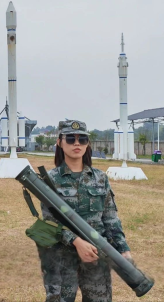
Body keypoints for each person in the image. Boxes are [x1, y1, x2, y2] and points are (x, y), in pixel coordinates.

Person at [37, 120, 133, 302]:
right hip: (61, 257)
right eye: (70, 138)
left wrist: (123, 248)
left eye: (82, 139)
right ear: (59, 142)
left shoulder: (100, 178)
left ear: (87, 143)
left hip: (96, 255)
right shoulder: (49, 180)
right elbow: (50, 222)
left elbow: (110, 217)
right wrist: (77, 242)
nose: (76, 143)